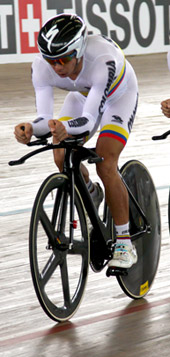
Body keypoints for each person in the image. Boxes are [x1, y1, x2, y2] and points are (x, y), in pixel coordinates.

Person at [14, 13, 138, 269]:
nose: (57, 67)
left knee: (105, 162)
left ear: (79, 51)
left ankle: (125, 242)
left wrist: (64, 128)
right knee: (61, 154)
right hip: (83, 96)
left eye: (63, 59)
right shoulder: (41, 67)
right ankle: (91, 193)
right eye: (51, 60)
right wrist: (30, 129)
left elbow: (89, 120)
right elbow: (44, 119)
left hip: (118, 97)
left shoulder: (102, 61)